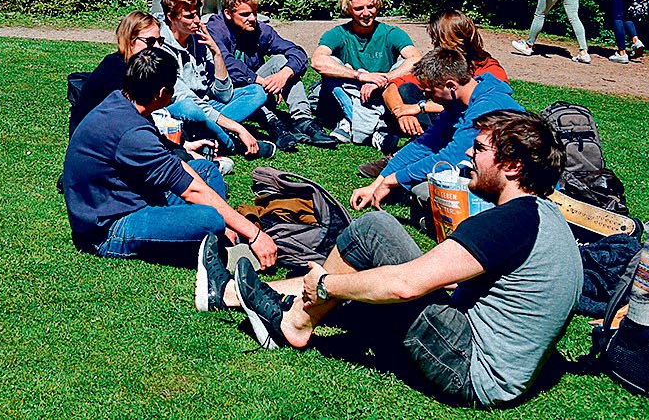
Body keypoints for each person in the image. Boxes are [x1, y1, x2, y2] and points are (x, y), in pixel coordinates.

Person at [201, 110, 581, 406]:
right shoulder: (544, 217)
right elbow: (449, 277)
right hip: (504, 371)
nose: (468, 153)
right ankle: (235, 293)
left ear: (512, 166)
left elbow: (405, 286)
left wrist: (326, 284)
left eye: (480, 149)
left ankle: (295, 322)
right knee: (377, 278)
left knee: (374, 229)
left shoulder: (508, 221)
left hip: (469, 368)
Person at [62, 44, 279, 267]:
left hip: (129, 195)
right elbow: (190, 189)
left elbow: (172, 163)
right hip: (106, 228)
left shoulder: (123, 102)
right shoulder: (132, 133)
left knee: (206, 170)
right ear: (161, 93)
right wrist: (254, 234)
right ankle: (217, 240)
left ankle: (219, 237)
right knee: (210, 218)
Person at [349, 42, 523, 209]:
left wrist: (394, 179)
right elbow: (424, 145)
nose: (428, 98)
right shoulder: (459, 104)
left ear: (451, 86)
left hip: (514, 183)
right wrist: (378, 183)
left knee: (426, 190)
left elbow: (452, 158)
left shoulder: (486, 108)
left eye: (430, 92)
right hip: (484, 173)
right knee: (422, 186)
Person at [363, 10, 508, 179]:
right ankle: (406, 156)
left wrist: (420, 107)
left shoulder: (490, 72)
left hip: (471, 131)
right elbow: (392, 86)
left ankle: (408, 159)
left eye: (437, 41)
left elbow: (480, 108)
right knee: (407, 89)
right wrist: (402, 112)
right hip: (446, 121)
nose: (434, 45)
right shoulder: (440, 65)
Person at [206, 0, 336, 150]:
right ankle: (274, 124)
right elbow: (226, 62)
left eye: (254, 13)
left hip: (257, 85)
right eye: (245, 14)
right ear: (228, 14)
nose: (252, 18)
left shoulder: (260, 29)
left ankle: (302, 120)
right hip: (226, 91)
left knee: (282, 61)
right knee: (253, 88)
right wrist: (261, 81)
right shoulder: (215, 28)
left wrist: (283, 75)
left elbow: (297, 52)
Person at [310, 0, 418, 148]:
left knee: (405, 65)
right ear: (348, 9)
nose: (366, 13)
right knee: (330, 68)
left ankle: (351, 124)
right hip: (351, 90)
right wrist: (360, 76)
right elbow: (317, 61)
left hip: (381, 90)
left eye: (371, 7)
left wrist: (382, 79)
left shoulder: (391, 33)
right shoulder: (339, 33)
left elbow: (416, 59)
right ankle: (376, 128)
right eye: (359, 8)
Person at [162, 0, 266, 156]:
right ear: (171, 18)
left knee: (257, 92)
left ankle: (210, 135)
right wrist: (238, 128)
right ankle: (231, 144)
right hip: (180, 111)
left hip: (207, 105)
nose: (197, 21)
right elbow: (186, 100)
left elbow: (224, 95)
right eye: (189, 16)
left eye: (198, 14)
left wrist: (217, 53)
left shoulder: (199, 39)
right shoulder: (162, 48)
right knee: (190, 107)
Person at [69, 11, 161, 135]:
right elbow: (131, 117)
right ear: (130, 39)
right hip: (98, 136)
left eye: (160, 40)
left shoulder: (133, 66)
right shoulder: (116, 70)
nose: (157, 46)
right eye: (150, 41)